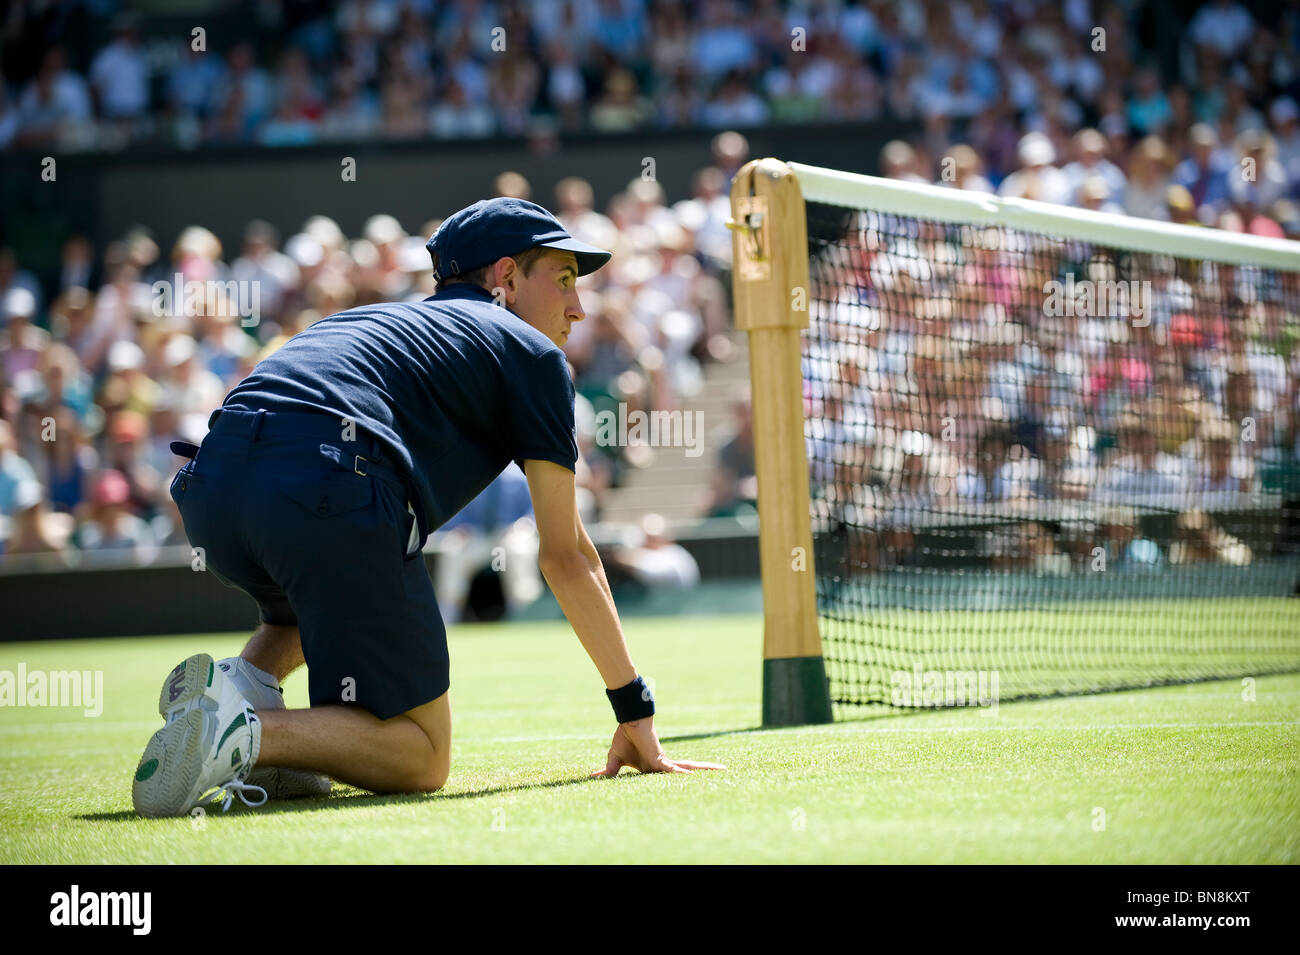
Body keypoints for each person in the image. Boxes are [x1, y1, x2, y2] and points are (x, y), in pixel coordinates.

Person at [131, 198, 723, 818]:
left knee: (319, 600)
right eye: (566, 278)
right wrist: (634, 707)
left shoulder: (365, 322)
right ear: (507, 278)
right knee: (421, 755)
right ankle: (245, 730)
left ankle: (239, 689)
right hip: (324, 489)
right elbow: (566, 555)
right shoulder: (532, 351)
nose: (578, 307)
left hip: (211, 488)